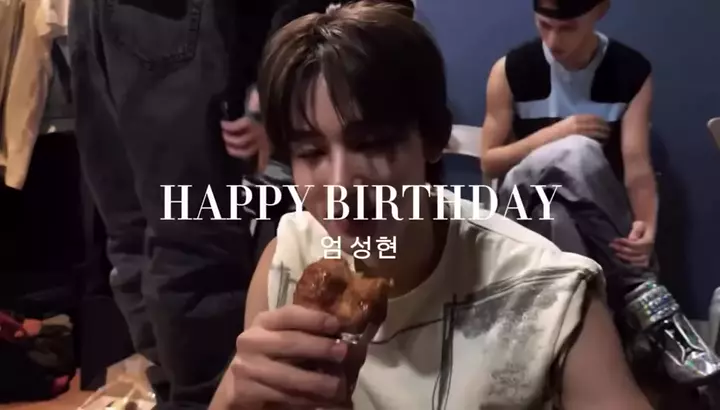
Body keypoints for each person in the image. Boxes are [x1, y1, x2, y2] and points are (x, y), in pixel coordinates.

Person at [209, 2, 653, 409]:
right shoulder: (286, 263)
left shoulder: (550, 299)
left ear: (433, 138)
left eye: (372, 144)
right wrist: (230, 399)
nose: (341, 186)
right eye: (311, 152)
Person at [480, 0, 720, 385]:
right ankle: (646, 299)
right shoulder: (510, 69)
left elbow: (637, 163)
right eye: (544, 25)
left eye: (567, 28)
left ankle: (587, 359)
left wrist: (645, 229)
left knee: (564, 218)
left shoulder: (629, 70)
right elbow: (490, 163)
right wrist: (558, 133)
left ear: (600, 11)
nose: (553, 40)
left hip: (584, 218)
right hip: (524, 205)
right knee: (577, 150)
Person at [68, 0, 285, 407]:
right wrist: (272, 79)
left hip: (106, 15)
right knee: (184, 238)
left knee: (142, 230)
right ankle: (199, 393)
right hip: (172, 17)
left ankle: (182, 387)